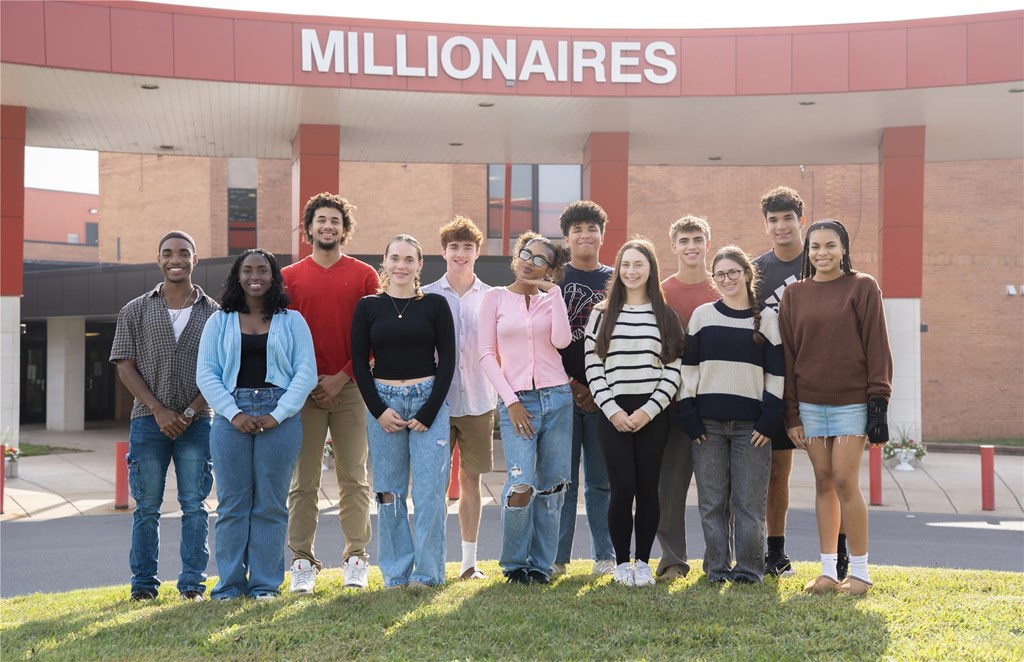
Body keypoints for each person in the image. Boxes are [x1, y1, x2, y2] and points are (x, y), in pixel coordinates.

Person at [196, 249, 317, 600]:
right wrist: (233, 412)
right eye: (247, 270)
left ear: (273, 276)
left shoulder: (292, 320)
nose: (255, 276)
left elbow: (305, 372)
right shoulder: (219, 321)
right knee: (233, 504)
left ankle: (265, 584)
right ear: (237, 276)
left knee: (270, 503)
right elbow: (206, 373)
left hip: (279, 414)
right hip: (230, 415)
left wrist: (278, 414)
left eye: (262, 270)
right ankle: (230, 586)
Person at [780, 220, 892, 596]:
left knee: (845, 479)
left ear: (843, 248)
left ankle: (859, 572)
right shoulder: (794, 294)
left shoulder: (862, 287)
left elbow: (878, 347)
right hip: (810, 404)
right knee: (823, 481)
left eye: (830, 245)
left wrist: (879, 404)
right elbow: (789, 358)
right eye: (814, 247)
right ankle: (828, 571)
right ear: (807, 251)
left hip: (852, 403)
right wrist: (791, 412)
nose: (821, 253)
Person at [110, 230, 218, 602]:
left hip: (198, 423)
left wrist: (188, 411)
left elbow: (222, 369)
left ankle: (192, 585)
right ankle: (143, 586)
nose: (176, 259)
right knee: (147, 509)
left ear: (195, 258)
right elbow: (124, 365)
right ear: (158, 259)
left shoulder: (215, 313)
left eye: (183, 253)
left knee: (195, 506)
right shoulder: (135, 309)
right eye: (168, 253)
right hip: (147, 422)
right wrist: (158, 410)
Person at [284, 192, 380, 593]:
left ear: (344, 229)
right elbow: (281, 338)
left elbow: (375, 339)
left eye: (335, 221)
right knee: (302, 482)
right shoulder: (288, 277)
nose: (328, 226)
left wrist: (341, 377)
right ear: (309, 228)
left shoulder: (364, 276)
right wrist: (308, 382)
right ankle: (302, 562)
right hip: (301, 393)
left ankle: (355, 558)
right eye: (321, 220)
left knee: (354, 478)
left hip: (352, 389)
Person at [753, 185, 849, 578]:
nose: (781, 226)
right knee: (777, 472)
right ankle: (776, 552)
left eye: (788, 218)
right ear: (766, 226)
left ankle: (841, 552)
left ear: (801, 222)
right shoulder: (757, 271)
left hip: (821, 383)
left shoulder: (821, 264)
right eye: (773, 220)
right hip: (776, 385)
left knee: (833, 474)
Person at [351, 234, 456, 589]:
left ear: (419, 265)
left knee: (428, 492)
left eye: (409, 259)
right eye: (395, 258)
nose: (401, 265)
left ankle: (428, 575)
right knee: (388, 491)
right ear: (385, 262)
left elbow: (448, 362)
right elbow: (359, 365)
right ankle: (396, 574)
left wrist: (429, 410)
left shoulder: (436, 305)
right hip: (385, 402)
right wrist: (378, 410)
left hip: (429, 401)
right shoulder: (368, 306)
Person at [677, 246, 785, 584]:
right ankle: (717, 567)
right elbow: (688, 371)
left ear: (747, 275)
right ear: (714, 278)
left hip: (751, 428)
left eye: (733, 272)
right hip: (706, 426)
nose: (727, 279)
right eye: (720, 274)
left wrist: (769, 420)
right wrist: (688, 416)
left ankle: (750, 569)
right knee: (712, 502)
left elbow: (777, 375)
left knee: (749, 503)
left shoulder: (767, 319)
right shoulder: (702, 315)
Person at [584, 238, 684, 587]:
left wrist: (649, 410)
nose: (631, 271)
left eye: (638, 264)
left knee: (647, 489)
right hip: (612, 412)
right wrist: (612, 410)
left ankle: (643, 562)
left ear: (650, 270)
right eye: (625, 265)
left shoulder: (665, 315)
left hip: (652, 414)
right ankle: (621, 563)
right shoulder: (600, 313)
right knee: (621, 488)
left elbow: (673, 369)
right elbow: (592, 366)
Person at [479, 232, 572, 585]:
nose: (529, 262)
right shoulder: (495, 299)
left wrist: (556, 295)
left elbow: (561, 341)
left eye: (539, 259)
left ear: (551, 269)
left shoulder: (552, 298)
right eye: (525, 253)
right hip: (519, 401)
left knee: (551, 487)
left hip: (558, 397)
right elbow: (486, 354)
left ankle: (541, 565)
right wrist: (512, 401)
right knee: (521, 485)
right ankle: (515, 564)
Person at [423, 216, 497, 580]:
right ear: (443, 252)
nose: (460, 253)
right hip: (436, 403)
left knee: (471, 480)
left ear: (477, 252)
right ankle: (433, 561)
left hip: (479, 402)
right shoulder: (427, 295)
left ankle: (469, 562)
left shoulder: (492, 297)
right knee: (433, 483)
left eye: (467, 247)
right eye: (454, 247)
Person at [554, 201, 617, 578]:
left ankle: (604, 556)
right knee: (564, 480)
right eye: (577, 229)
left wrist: (598, 388)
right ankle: (558, 557)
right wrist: (574, 384)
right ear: (567, 237)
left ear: (602, 235)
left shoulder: (616, 279)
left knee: (600, 481)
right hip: (561, 393)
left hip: (605, 396)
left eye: (592, 228)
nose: (585, 235)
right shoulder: (554, 279)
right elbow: (542, 341)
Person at [655, 215, 719, 582]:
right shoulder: (660, 293)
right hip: (675, 405)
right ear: (674, 246)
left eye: (697, 239)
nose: (691, 246)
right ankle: (673, 561)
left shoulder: (725, 286)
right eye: (684, 240)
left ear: (707, 243)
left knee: (717, 490)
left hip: (716, 403)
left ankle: (718, 561)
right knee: (672, 486)